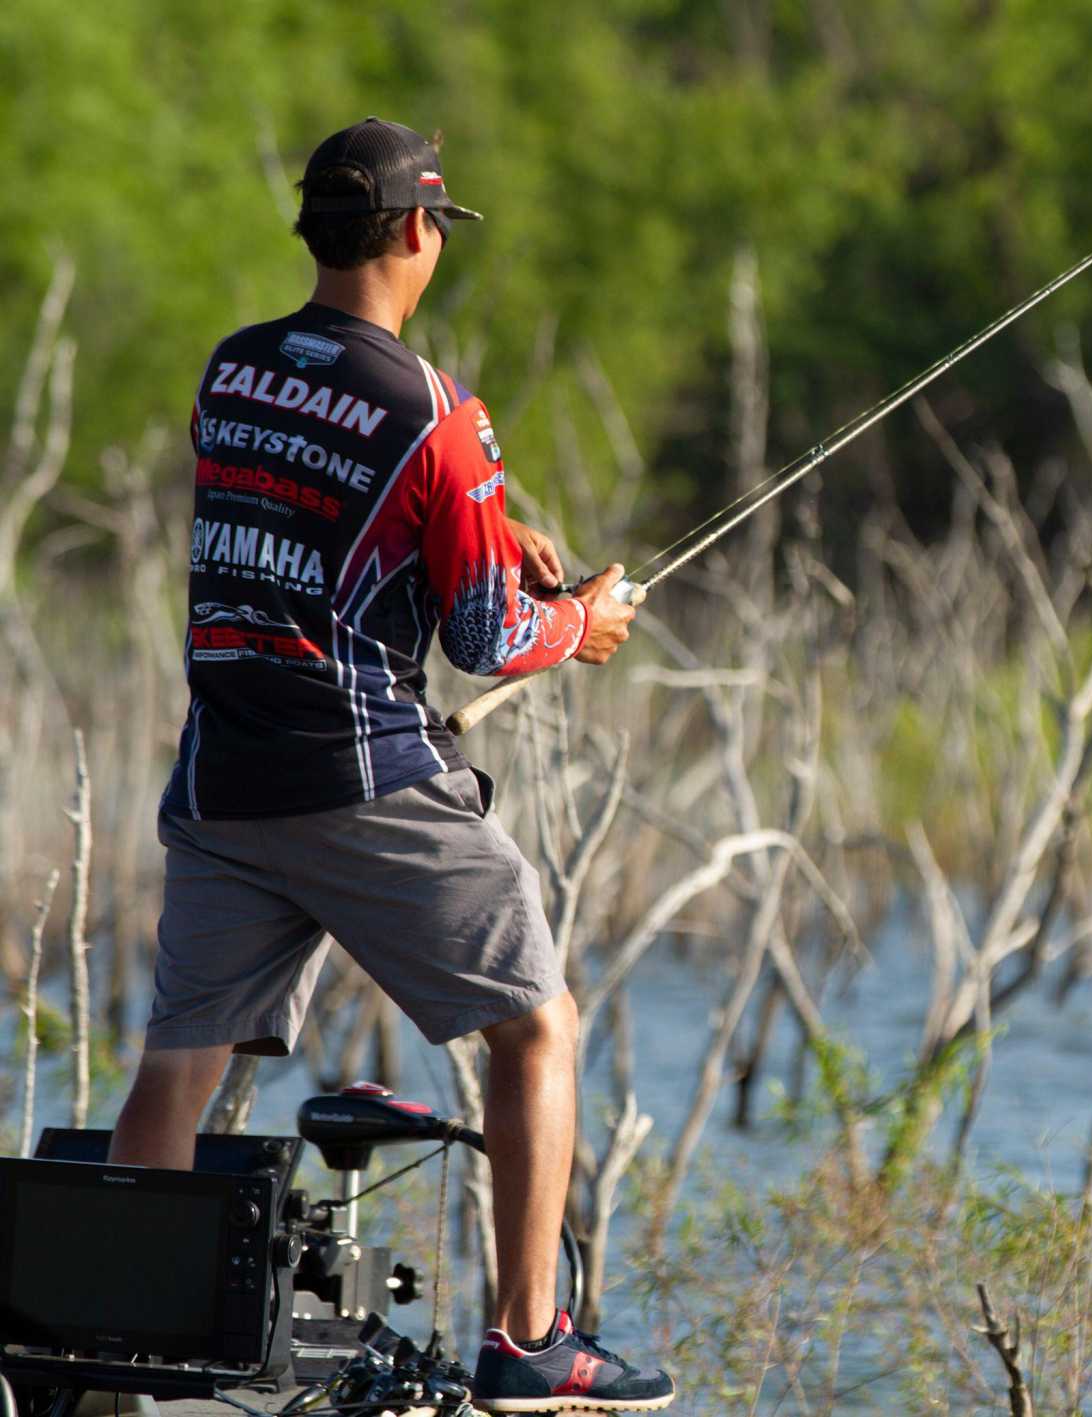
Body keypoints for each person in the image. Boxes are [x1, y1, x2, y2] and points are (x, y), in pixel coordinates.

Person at [106, 117, 674, 1413]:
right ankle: (530, 1340)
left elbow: (307, 509)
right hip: (361, 779)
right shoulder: (436, 410)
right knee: (537, 1023)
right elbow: (484, 637)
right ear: (422, 229)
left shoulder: (235, 368)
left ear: (316, 231)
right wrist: (579, 622)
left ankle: (116, 1351)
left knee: (179, 1060)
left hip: (222, 779)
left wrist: (485, 517)